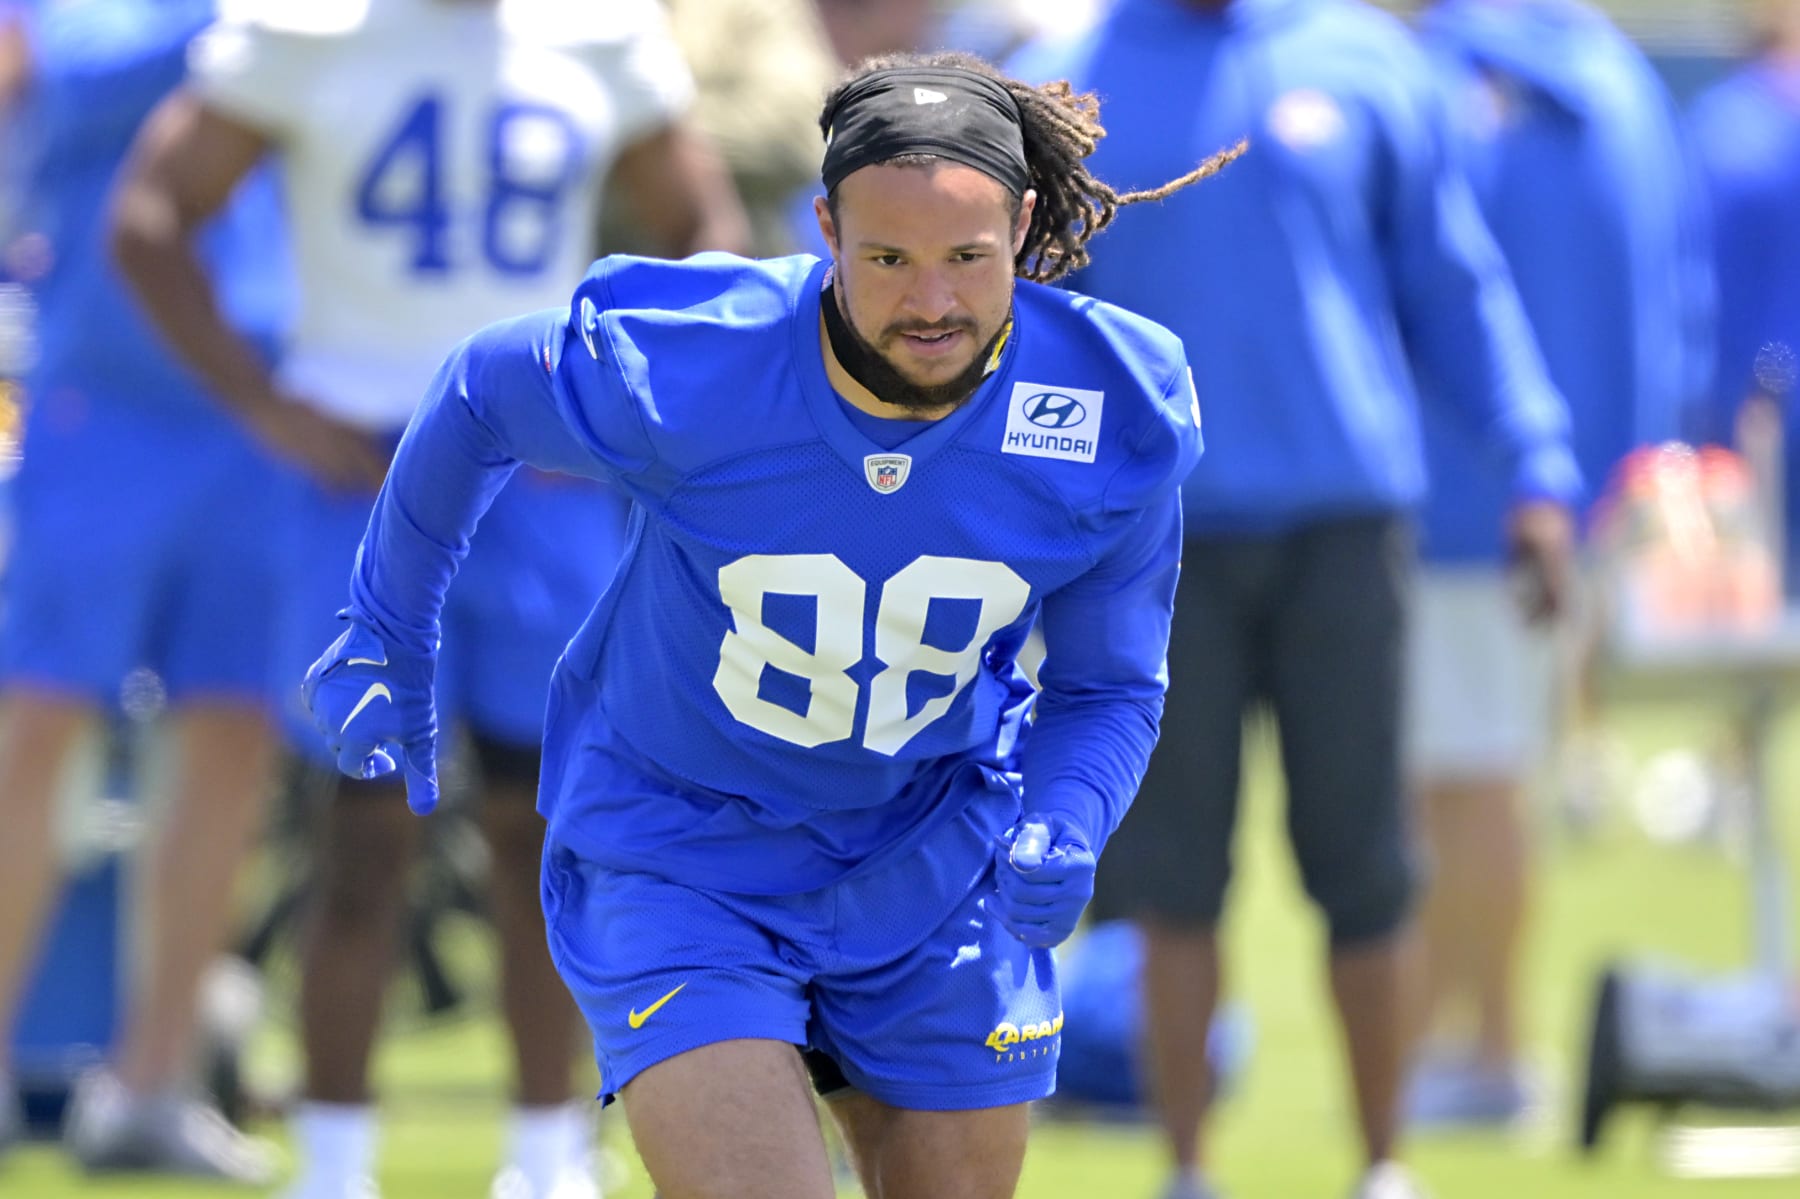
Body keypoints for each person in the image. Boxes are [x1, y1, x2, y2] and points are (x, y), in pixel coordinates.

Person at [300, 49, 1238, 1199]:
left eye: (967, 258)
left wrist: (1066, 817)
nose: (932, 301)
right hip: (687, 840)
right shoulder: (703, 359)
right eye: (888, 257)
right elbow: (483, 388)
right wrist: (391, 619)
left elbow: (1108, 686)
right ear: (826, 231)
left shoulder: (1109, 403)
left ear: (1025, 225)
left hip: (935, 844)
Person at [110, 1, 750, 1196]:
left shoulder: (596, 33)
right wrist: (264, 401)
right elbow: (150, 218)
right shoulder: (304, 30)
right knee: (359, 829)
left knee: (548, 825)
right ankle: (338, 1160)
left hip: (540, 477)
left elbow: (699, 220)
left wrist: (627, 389)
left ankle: (552, 1150)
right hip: (365, 467)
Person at [1009, 2, 1580, 1197]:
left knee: (1365, 859)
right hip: (1159, 541)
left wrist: (1533, 457)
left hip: (1342, 523)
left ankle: (1383, 1164)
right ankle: (1186, 1164)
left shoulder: (1367, 60)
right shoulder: (1062, 85)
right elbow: (1027, 332)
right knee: (1171, 874)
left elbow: (1453, 279)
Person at [1405, 0, 1711, 1130]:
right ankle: (1479, 1042)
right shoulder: (1619, 73)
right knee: (1489, 774)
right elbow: (1681, 296)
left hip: (1464, 489)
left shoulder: (1450, 79)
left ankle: (1478, 1050)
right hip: (1577, 483)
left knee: (1462, 780)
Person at [0, 0, 289, 1180]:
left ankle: (152, 1079)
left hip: (268, 399)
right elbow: (55, 81)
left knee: (233, 729)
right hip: (99, 397)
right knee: (40, 722)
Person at [1690, 0, 1800, 587]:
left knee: (1760, 593)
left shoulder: (1719, 123)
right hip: (1773, 383)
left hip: (1758, 389)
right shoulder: (1736, 123)